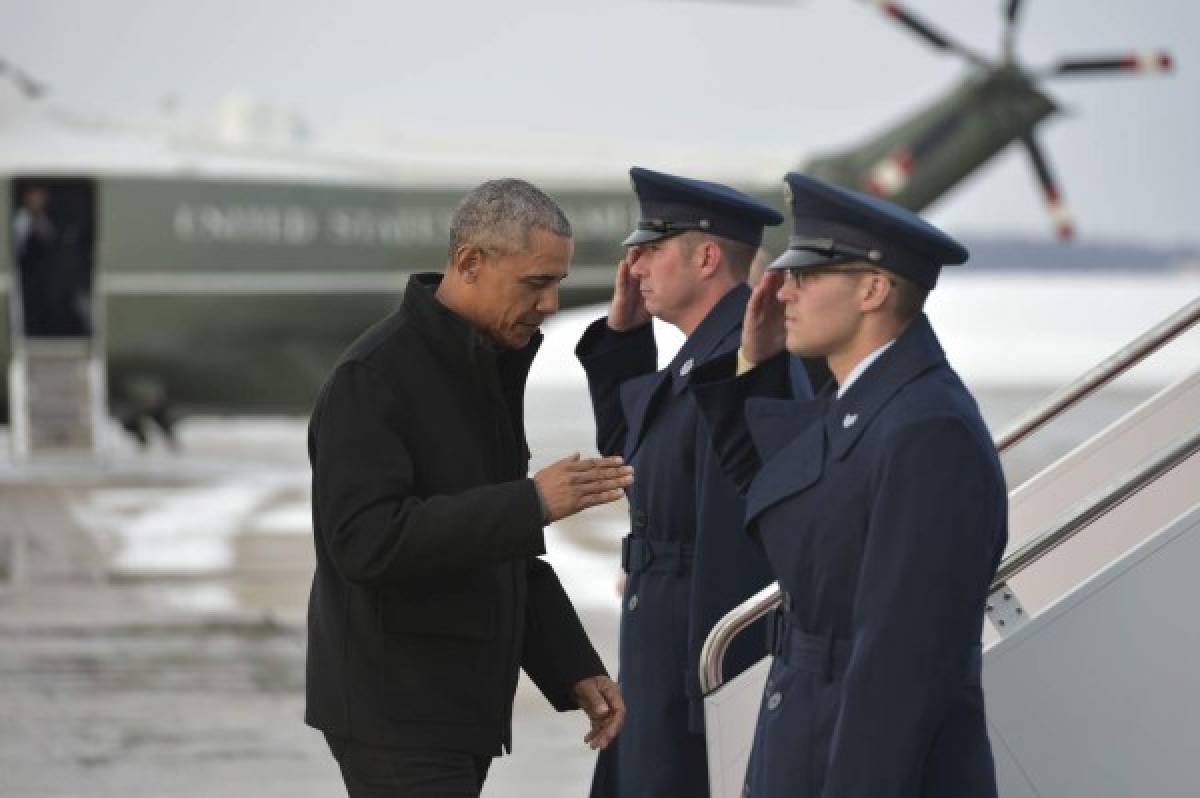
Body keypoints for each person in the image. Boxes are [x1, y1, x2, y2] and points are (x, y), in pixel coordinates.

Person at [306, 178, 630, 797]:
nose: (551, 304)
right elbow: (365, 543)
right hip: (394, 708)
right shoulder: (372, 379)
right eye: (536, 283)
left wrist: (570, 664)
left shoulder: (481, 365)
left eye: (557, 283)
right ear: (469, 263)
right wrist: (531, 501)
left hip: (451, 706)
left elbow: (495, 548)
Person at [690, 172, 1008, 797]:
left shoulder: (929, 430)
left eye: (806, 276)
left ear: (872, 288)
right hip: (807, 738)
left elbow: (902, 671)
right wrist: (756, 367)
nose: (781, 291)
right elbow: (787, 507)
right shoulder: (863, 401)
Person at [575, 166, 798, 796]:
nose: (633, 266)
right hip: (662, 669)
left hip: (689, 680)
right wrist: (622, 337)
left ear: (705, 257)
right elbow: (637, 456)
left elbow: (739, 544)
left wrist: (716, 698)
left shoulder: (742, 360)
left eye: (650, 250)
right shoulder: (704, 355)